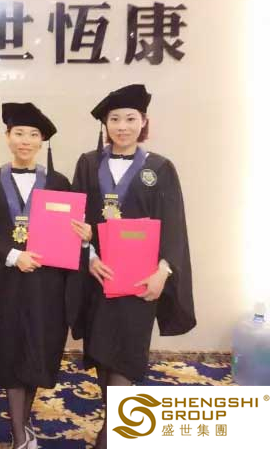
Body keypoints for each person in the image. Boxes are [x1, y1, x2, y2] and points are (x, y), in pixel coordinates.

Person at [70, 84, 196, 448]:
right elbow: (76, 219)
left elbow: (174, 225)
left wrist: (162, 272)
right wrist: (89, 257)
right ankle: (113, 426)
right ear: (105, 124)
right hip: (99, 278)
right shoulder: (88, 163)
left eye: (130, 119)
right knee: (102, 353)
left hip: (140, 281)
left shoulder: (159, 168)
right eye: (115, 119)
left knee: (126, 354)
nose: (122, 126)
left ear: (143, 122)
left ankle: (110, 436)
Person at [0, 102, 91, 449]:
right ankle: (18, 433)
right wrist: (13, 256)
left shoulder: (58, 182)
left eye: (33, 135)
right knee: (12, 353)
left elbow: (69, 234)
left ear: (42, 141)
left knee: (38, 353)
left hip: (47, 285)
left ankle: (23, 422)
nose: (25, 141)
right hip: (8, 282)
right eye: (19, 133)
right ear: (7, 137)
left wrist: (83, 236)